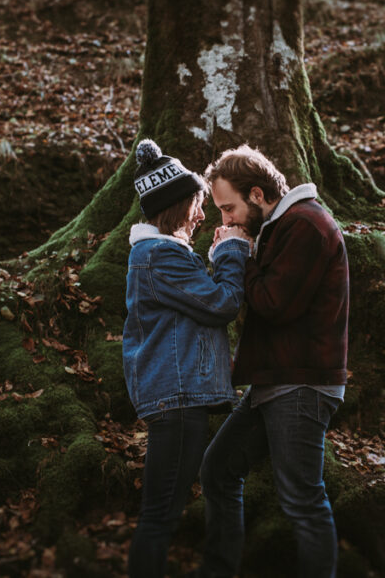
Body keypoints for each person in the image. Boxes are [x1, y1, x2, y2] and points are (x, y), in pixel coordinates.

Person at [196, 145, 350, 578]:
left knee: (302, 497)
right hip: (275, 381)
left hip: (301, 383)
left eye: (229, 209)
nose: (225, 221)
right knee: (219, 470)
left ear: (258, 195)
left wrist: (238, 255)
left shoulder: (306, 225)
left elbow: (272, 302)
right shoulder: (282, 227)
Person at [122, 139, 252, 578]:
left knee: (160, 510)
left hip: (177, 399)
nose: (202, 214)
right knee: (160, 514)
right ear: (175, 207)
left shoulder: (164, 256)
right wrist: (233, 249)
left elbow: (200, 304)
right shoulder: (159, 256)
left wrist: (216, 256)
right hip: (176, 402)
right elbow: (222, 304)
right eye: (197, 204)